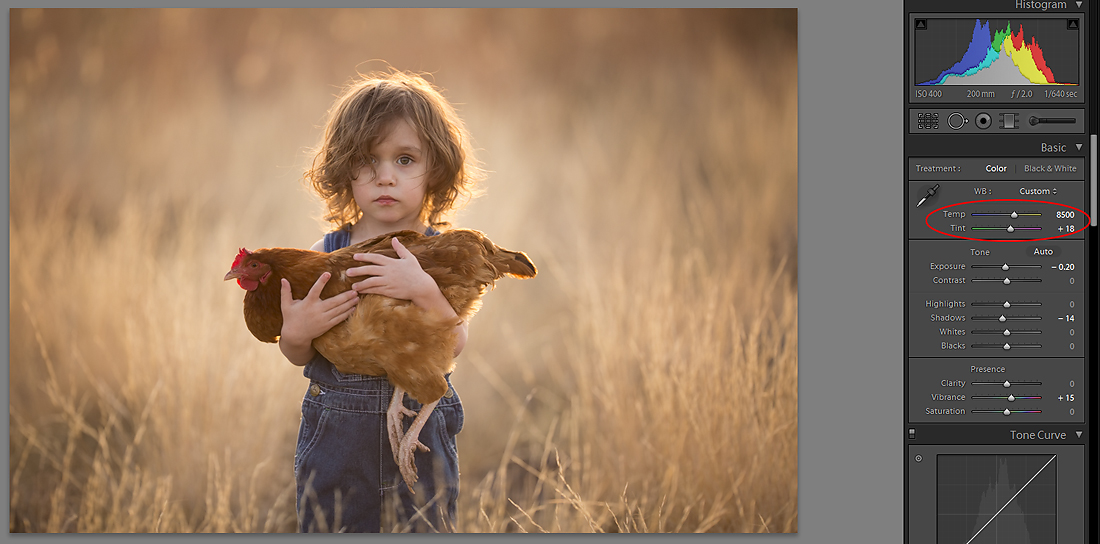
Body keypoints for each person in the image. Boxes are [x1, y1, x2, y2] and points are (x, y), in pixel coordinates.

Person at [279, 70, 482, 532]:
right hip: (338, 432)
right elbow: (296, 353)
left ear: (436, 170)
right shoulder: (326, 254)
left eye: (406, 159)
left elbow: (453, 344)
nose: (386, 176)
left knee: (423, 526)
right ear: (344, 169)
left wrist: (423, 290)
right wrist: (297, 331)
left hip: (419, 423)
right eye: (368, 161)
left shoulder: (435, 254)